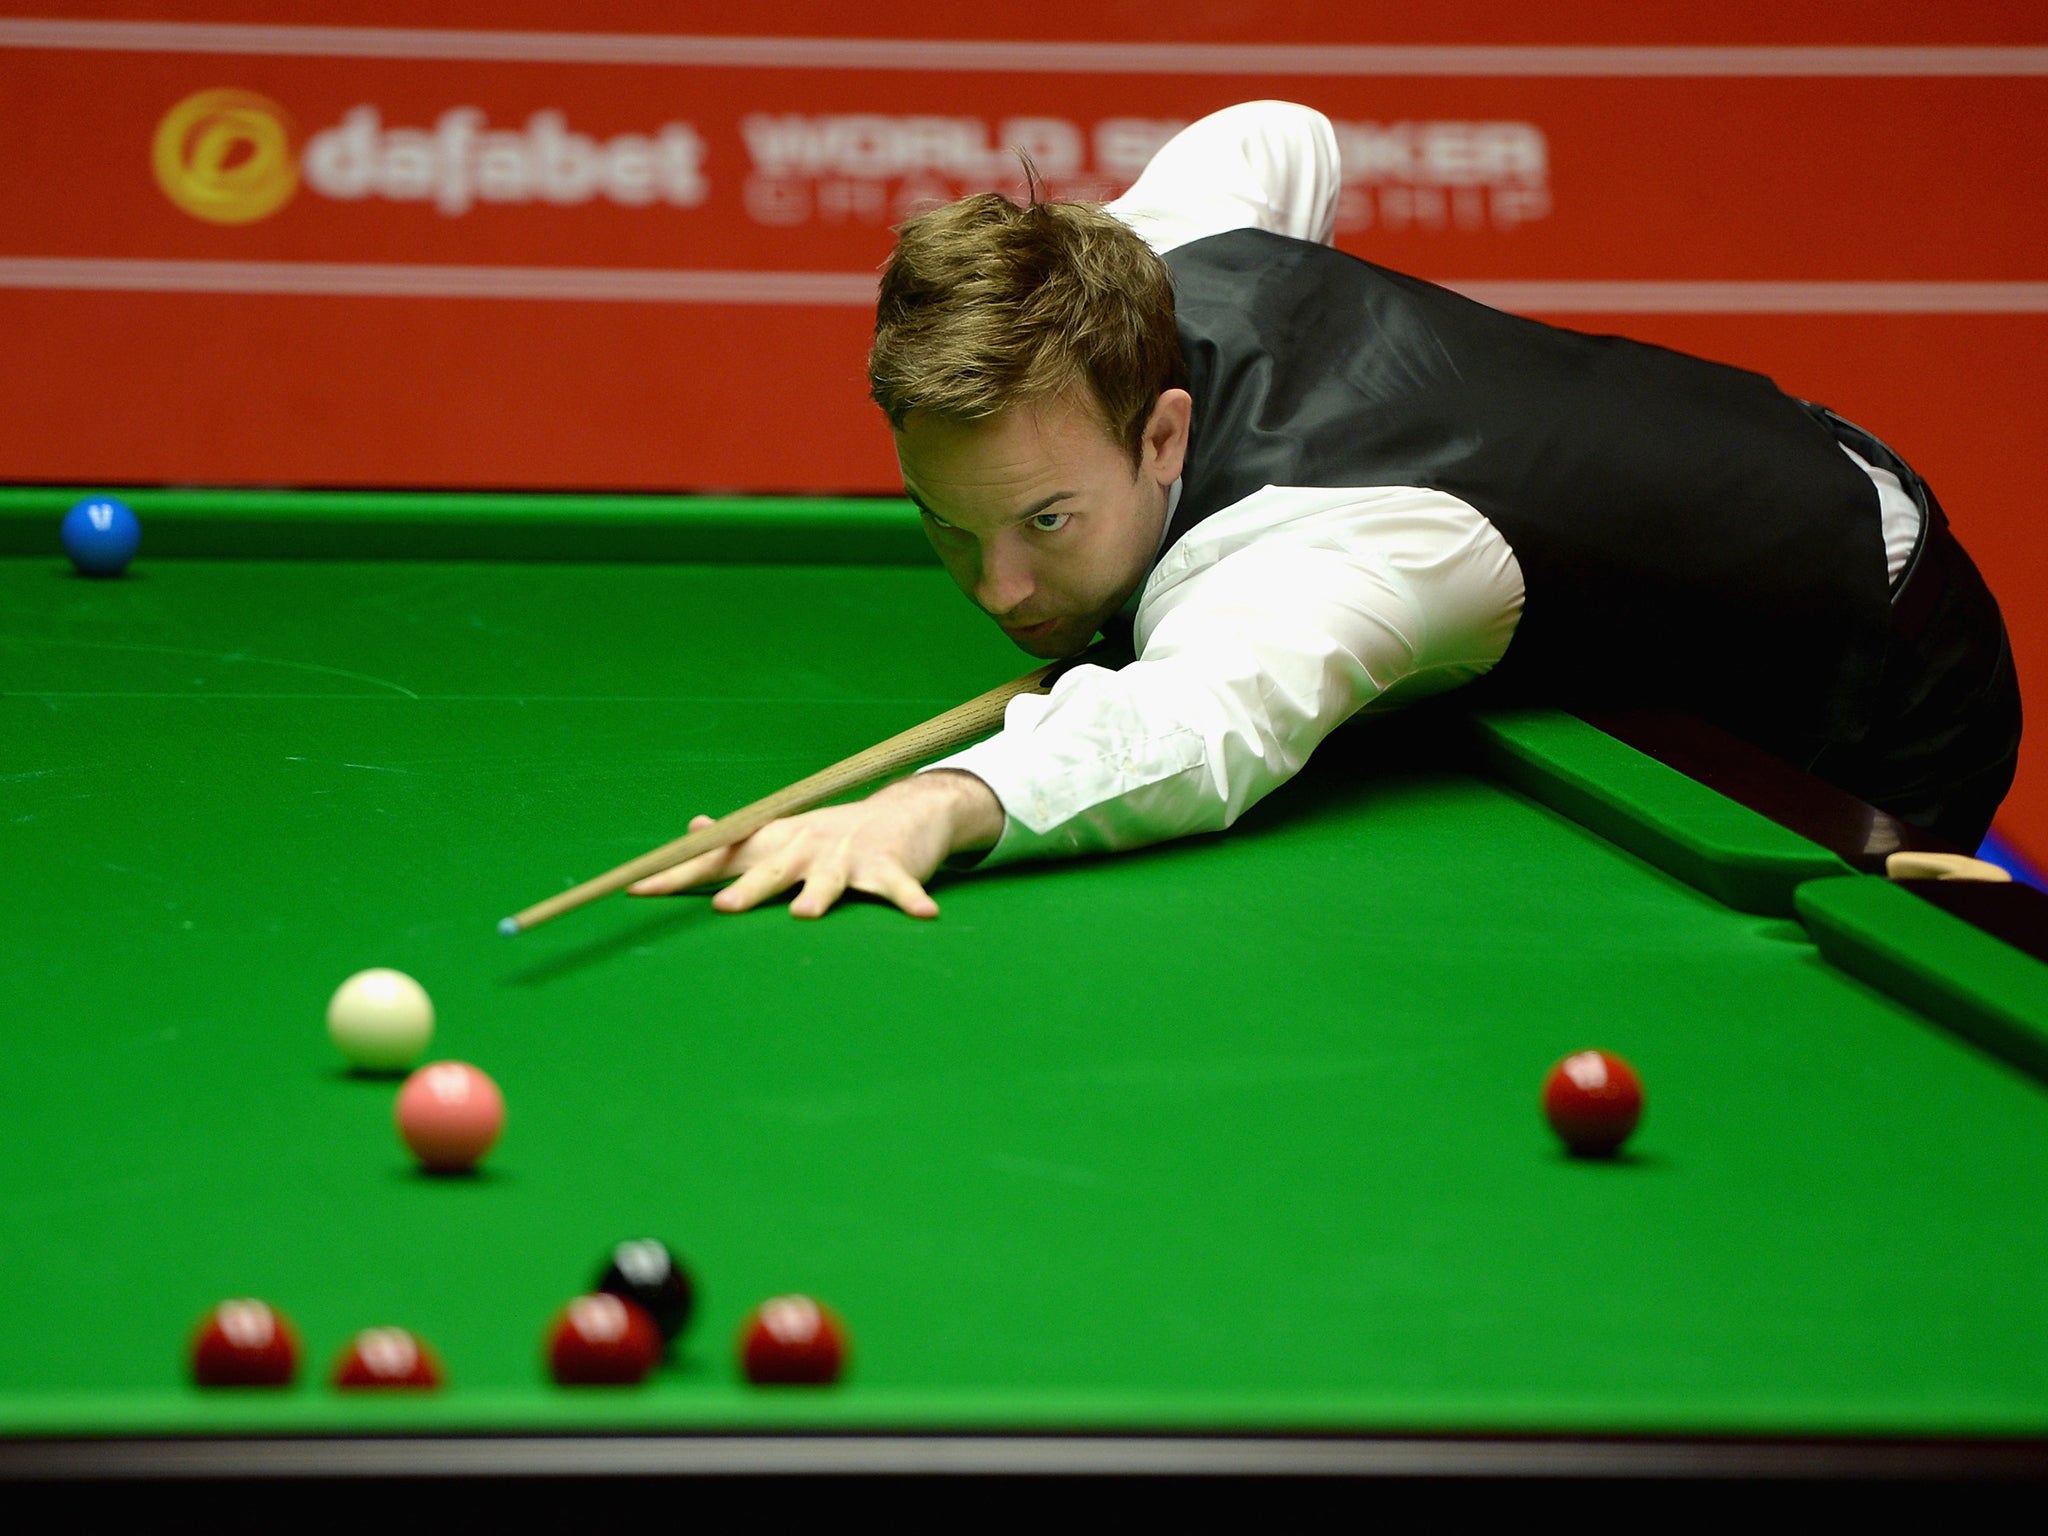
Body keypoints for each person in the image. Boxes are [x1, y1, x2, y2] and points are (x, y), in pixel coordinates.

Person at [629, 100, 2021, 920]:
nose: (997, 591)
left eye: (1045, 523)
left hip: (1861, 638)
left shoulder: (1322, 553)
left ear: (1165, 430)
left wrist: (940, 806)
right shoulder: (1152, 257)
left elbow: (1195, 724)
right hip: (1736, 476)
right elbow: (1277, 134)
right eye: (948, 526)